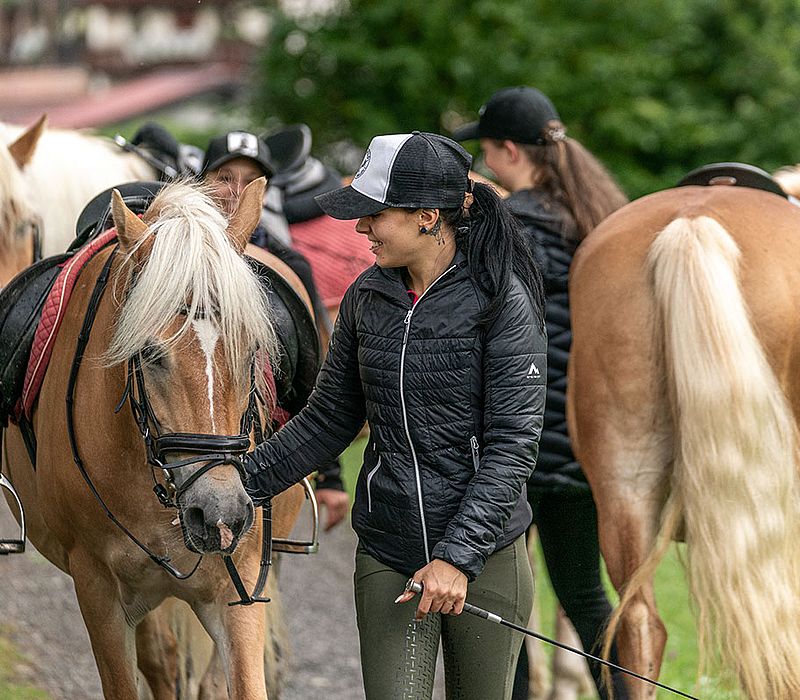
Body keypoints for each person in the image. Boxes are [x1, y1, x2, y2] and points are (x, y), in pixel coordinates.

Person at [244, 131, 547, 699]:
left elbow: (512, 445)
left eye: (374, 215)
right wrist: (241, 484)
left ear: (428, 216)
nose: (360, 228)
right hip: (390, 550)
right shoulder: (366, 297)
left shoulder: (502, 299)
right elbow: (328, 418)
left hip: (485, 559)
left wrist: (457, 559)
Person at [453, 86, 629, 699]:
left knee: (504, 602)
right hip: (580, 444)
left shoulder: (508, 225)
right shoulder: (596, 216)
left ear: (506, 151)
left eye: (487, 152)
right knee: (585, 597)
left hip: (513, 441)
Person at [202, 130, 350, 530]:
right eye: (224, 177)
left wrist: (330, 477)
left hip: (264, 448)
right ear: (201, 183)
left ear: (266, 192)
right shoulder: (177, 262)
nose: (237, 192)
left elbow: (315, 371)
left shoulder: (289, 268)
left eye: (251, 181)